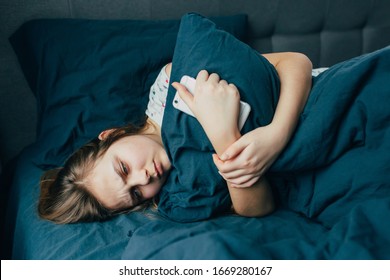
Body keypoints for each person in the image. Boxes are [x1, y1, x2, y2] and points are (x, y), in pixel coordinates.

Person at [39, 52, 312, 224]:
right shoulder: (180, 191)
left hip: (310, 95)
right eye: (135, 193)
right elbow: (258, 208)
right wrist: (223, 136)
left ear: (111, 135)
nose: (143, 179)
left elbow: (294, 62)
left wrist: (277, 133)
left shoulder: (172, 86)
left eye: (124, 168)